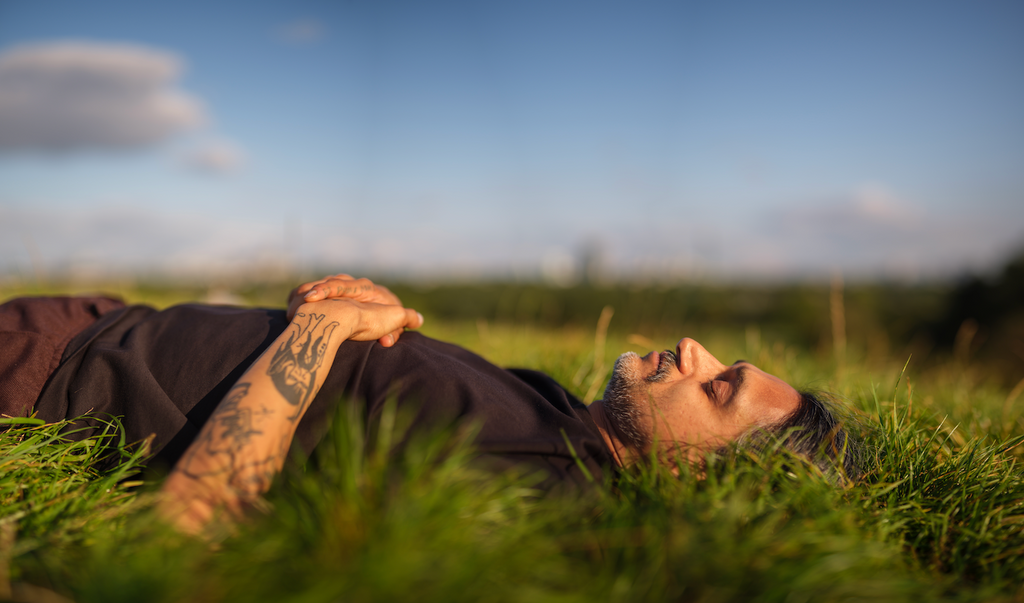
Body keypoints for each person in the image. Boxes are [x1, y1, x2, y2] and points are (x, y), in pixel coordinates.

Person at [0, 275, 856, 534]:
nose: (695, 351)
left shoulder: (544, 479)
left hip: (50, 371)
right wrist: (360, 309)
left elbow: (205, 509)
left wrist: (324, 330)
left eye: (719, 388)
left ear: (705, 481)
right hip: (101, 319)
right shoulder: (556, 410)